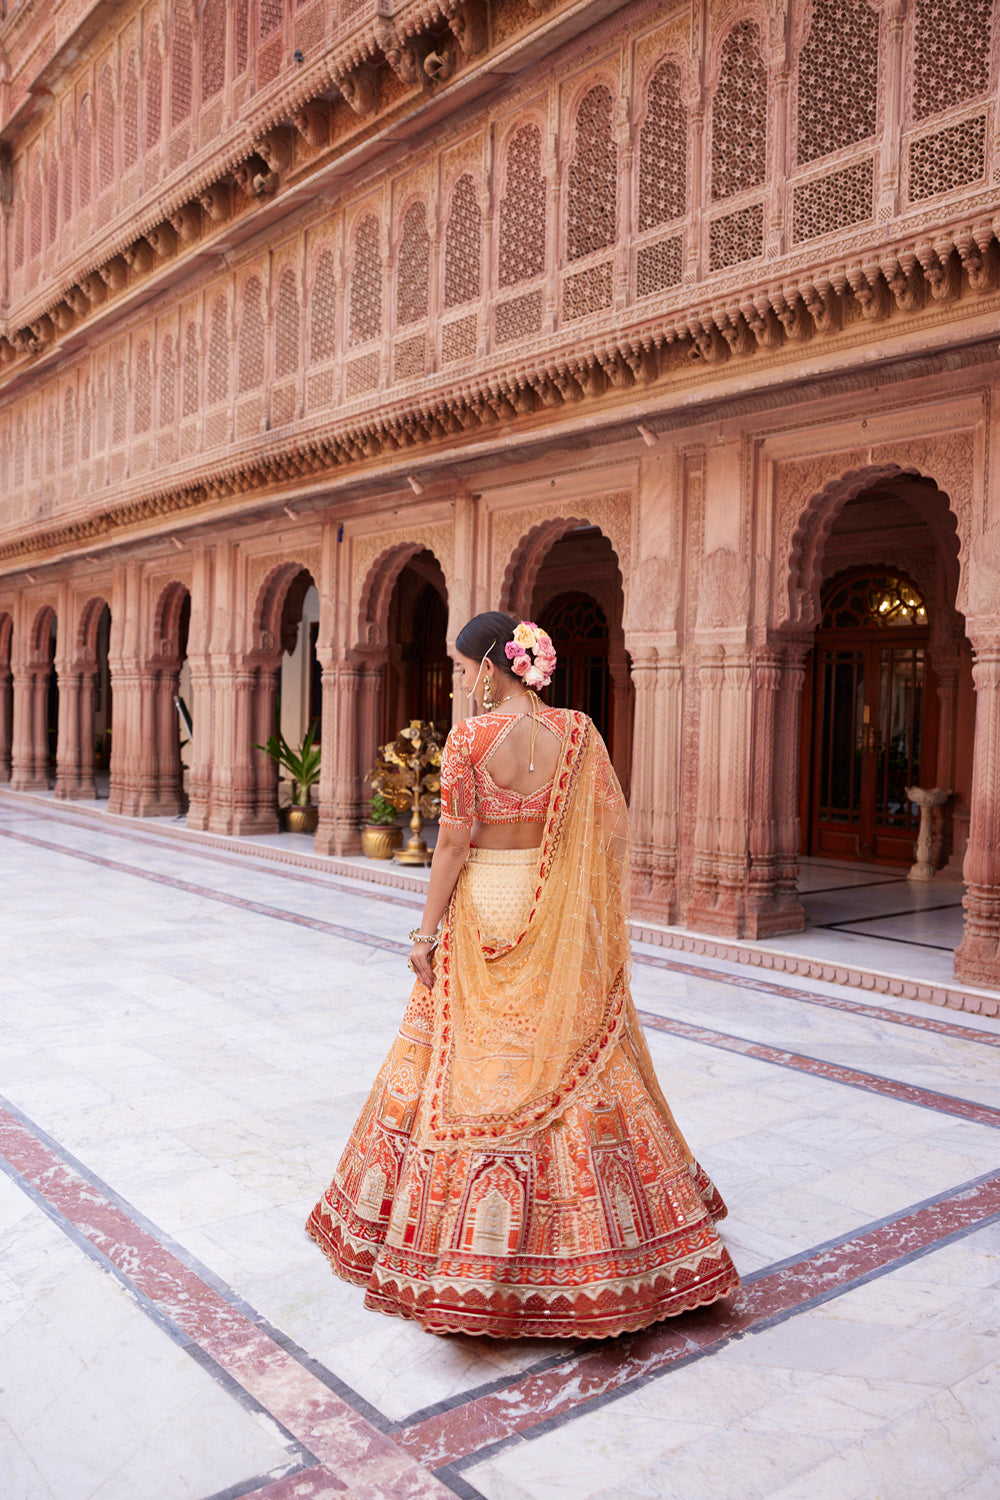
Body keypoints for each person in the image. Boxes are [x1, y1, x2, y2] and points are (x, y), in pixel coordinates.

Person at [306, 611, 739, 1338]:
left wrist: (425, 931)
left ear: (489, 668)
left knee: (460, 1058)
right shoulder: (578, 733)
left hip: (485, 904)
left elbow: (451, 842)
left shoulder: (470, 738)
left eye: (461, 668)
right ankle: (611, 1246)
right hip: (553, 906)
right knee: (569, 1053)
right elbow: (604, 830)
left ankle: (457, 1250)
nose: (459, 681)